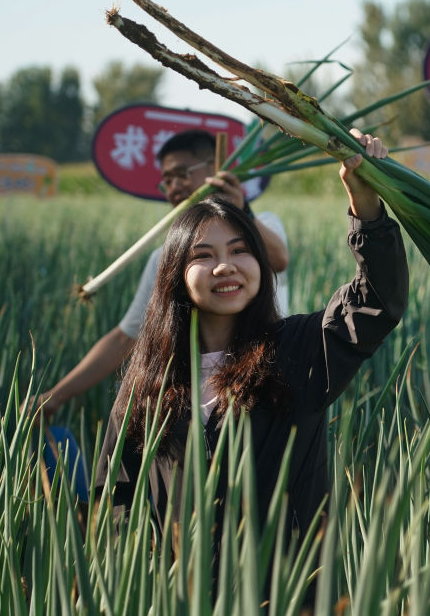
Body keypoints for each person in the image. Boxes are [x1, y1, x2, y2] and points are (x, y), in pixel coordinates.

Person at [93, 130, 406, 557]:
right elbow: (116, 494)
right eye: (203, 256)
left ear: (259, 264)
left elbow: (377, 301)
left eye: (240, 251)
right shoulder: (150, 381)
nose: (225, 266)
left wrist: (366, 206)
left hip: (286, 591)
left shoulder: (297, 350)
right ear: (175, 278)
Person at [29, 129, 291, 419]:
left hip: (268, 384)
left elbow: (278, 260)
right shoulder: (165, 257)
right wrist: (54, 397)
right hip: (205, 401)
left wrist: (240, 211)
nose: (174, 187)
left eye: (182, 174)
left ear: (215, 169)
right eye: (166, 181)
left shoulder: (262, 226)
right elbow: (126, 337)